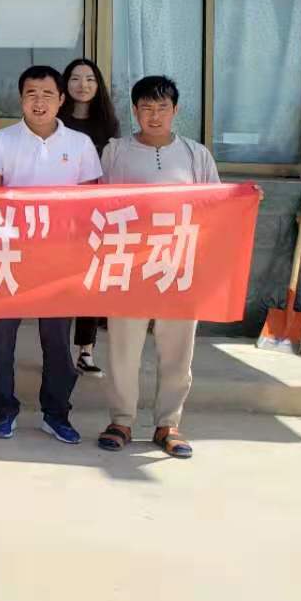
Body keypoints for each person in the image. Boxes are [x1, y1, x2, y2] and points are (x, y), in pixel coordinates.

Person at [97, 76, 221, 461]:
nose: (154, 115)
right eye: (146, 108)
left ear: (175, 110)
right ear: (134, 110)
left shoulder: (196, 154)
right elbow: (95, 205)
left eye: (162, 107)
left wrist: (246, 199)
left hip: (178, 265)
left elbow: (217, 206)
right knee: (123, 350)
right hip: (128, 264)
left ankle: (168, 423)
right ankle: (121, 420)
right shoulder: (115, 152)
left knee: (178, 350)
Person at [0, 65, 102, 444]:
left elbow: (90, 203)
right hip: (9, 256)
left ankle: (56, 413)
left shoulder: (80, 144)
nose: (39, 101)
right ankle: (4, 410)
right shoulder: (0, 141)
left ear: (62, 99)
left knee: (57, 341)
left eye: (48, 94)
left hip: (60, 259)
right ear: (21, 99)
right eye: (31, 94)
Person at [60, 57, 120, 376]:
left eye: (90, 79)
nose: (82, 85)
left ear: (98, 86)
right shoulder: (54, 120)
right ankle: (56, 351)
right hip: (59, 215)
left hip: (95, 215)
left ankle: (86, 350)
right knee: (59, 283)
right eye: (75, 78)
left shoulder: (108, 125)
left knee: (91, 281)